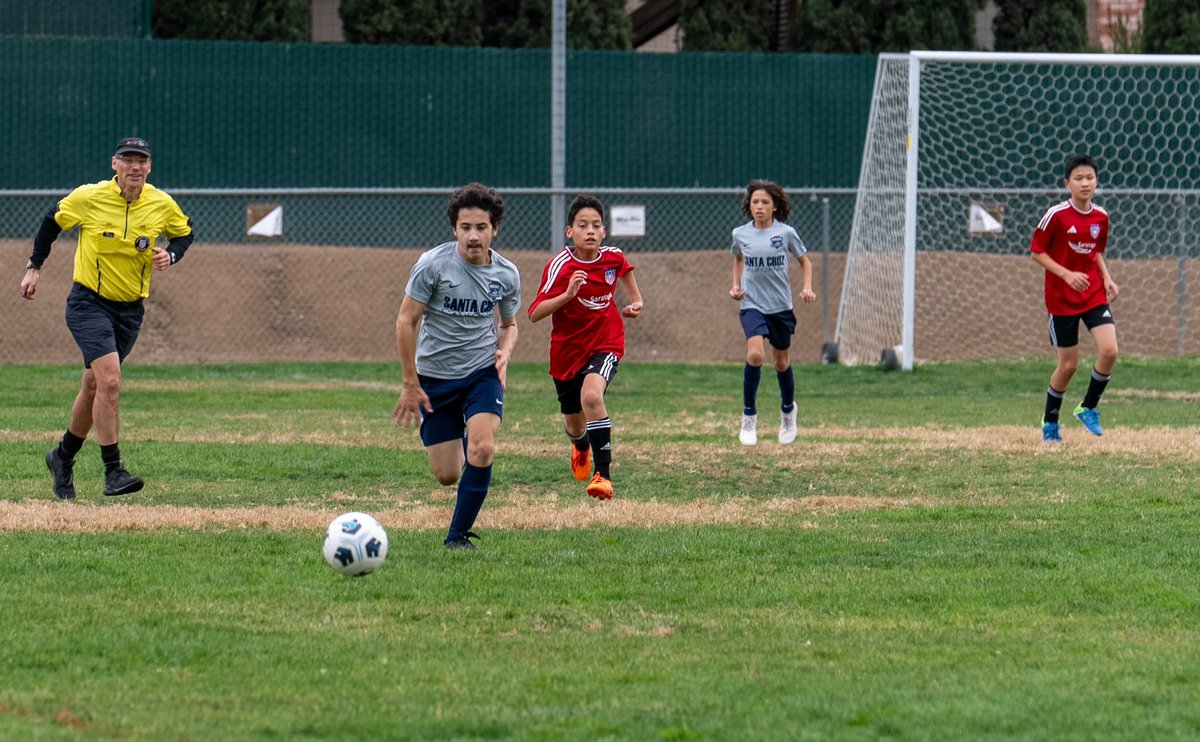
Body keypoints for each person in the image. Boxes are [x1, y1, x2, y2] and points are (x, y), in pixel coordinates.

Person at [19, 137, 195, 500]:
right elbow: (51, 221)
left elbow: (185, 233)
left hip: (130, 311)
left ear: (149, 167)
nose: (135, 166)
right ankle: (114, 470)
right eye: (127, 159)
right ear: (114, 164)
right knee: (111, 381)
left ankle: (62, 457)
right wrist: (34, 267)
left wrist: (171, 256)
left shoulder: (161, 203)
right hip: (88, 303)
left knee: (95, 386)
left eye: (141, 161)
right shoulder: (90, 197)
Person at [392, 183, 521, 550]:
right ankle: (465, 433)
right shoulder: (432, 265)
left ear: (494, 228)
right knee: (447, 474)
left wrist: (505, 351)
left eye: (481, 227)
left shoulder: (506, 275)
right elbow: (405, 321)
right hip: (434, 378)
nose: (473, 235)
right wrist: (409, 382)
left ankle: (457, 537)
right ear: (454, 229)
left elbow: (509, 324)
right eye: (465, 227)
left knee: (482, 449)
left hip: (482, 373)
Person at [528, 195, 643, 500]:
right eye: (582, 225)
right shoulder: (560, 266)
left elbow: (625, 270)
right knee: (574, 424)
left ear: (604, 232)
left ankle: (603, 476)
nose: (590, 231)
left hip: (606, 343)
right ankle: (580, 446)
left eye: (596, 225)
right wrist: (567, 294)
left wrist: (635, 301)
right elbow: (535, 313)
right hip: (566, 353)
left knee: (591, 396)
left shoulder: (612, 258)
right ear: (570, 232)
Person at [1031, 154, 1119, 443]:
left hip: (1092, 293)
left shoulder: (1101, 216)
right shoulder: (1055, 216)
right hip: (1062, 299)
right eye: (1079, 178)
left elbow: (1094, 252)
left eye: (1090, 178)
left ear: (1096, 181)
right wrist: (1067, 275)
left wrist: (1106, 278)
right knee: (1068, 366)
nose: (1085, 183)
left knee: (1110, 351)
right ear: (1067, 183)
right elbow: (1037, 253)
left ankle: (1088, 407)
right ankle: (1050, 422)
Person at [728, 179, 815, 446]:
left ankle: (788, 411)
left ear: (775, 206)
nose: (760, 207)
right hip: (752, 305)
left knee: (781, 362)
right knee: (755, 355)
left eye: (765, 202)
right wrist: (735, 285)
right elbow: (738, 258)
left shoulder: (786, 233)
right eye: (755, 202)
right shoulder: (740, 234)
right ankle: (749, 416)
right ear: (749, 206)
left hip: (781, 307)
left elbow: (805, 261)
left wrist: (807, 288)